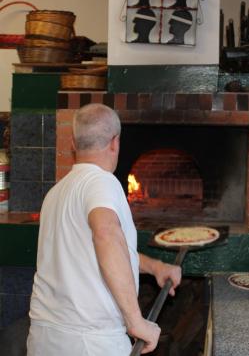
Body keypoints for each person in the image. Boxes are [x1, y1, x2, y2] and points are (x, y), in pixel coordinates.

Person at [26, 103, 181, 356]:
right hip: (90, 342)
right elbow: (106, 235)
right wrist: (136, 321)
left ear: (74, 144)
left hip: (44, 338)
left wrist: (155, 267)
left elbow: (94, 249)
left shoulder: (55, 193)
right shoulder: (101, 181)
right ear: (115, 143)